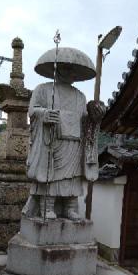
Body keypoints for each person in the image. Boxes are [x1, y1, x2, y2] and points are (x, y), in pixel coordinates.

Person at [22, 47, 105, 220]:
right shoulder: (43, 89)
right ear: (57, 68)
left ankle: (71, 208)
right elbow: (32, 110)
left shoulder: (80, 96)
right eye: (66, 68)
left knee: (73, 177)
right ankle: (47, 207)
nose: (70, 73)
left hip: (74, 141)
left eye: (73, 70)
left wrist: (94, 117)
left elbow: (85, 120)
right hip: (52, 140)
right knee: (51, 174)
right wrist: (44, 114)